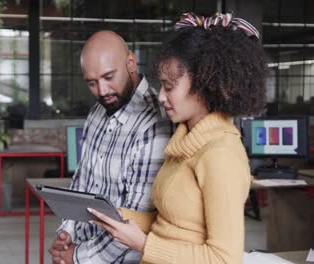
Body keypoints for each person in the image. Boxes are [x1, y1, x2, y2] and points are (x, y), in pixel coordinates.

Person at [89, 13, 267, 264]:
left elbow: (224, 259)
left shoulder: (221, 154)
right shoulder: (184, 143)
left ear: (207, 85)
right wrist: (114, 215)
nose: (161, 97)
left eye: (169, 87)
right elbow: (170, 226)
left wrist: (142, 244)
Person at [49, 30, 168, 264]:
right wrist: (67, 234)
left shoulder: (153, 123)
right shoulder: (99, 110)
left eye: (109, 77)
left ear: (131, 63)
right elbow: (83, 179)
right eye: (92, 83)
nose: (102, 91)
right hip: (83, 250)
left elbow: (137, 222)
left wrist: (76, 257)